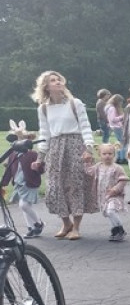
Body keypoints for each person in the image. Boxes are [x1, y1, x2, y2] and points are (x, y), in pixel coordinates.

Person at [32, 70, 97, 240]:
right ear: (46, 86)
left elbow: (85, 126)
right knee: (54, 188)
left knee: (75, 186)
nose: (58, 82)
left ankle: (76, 227)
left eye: (59, 79)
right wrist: (40, 157)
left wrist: (88, 149)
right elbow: (44, 133)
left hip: (75, 146)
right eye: (53, 80)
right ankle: (65, 222)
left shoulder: (75, 103)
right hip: (55, 148)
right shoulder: (44, 108)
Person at [2, 121, 45, 238]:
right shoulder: (13, 155)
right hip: (19, 184)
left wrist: (38, 166)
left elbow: (42, 168)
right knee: (25, 206)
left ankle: (38, 223)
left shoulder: (32, 154)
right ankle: (31, 228)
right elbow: (9, 171)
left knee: (23, 205)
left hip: (30, 183)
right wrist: (3, 183)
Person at [86, 143, 129, 241]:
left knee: (111, 211)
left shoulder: (117, 168)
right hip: (103, 195)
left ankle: (120, 229)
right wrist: (87, 162)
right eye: (104, 154)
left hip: (115, 195)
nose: (107, 156)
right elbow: (89, 172)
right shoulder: (98, 167)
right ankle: (115, 230)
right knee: (107, 213)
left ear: (114, 155)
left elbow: (123, 180)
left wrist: (116, 189)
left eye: (110, 154)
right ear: (100, 155)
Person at [105, 94, 127, 163]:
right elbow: (113, 119)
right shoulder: (112, 108)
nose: (121, 104)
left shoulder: (109, 108)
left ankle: (119, 157)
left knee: (120, 143)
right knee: (123, 142)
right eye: (120, 102)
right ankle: (122, 158)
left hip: (115, 127)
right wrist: (122, 117)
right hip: (117, 127)